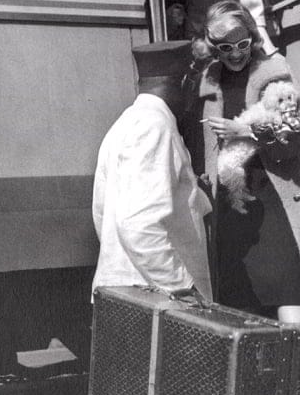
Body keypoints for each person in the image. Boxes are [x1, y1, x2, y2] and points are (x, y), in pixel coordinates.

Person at [191, 0, 300, 327]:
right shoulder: (208, 82)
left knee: (288, 290)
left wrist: (246, 131)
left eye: (242, 44)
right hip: (233, 204)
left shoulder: (274, 73)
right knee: (242, 301)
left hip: (276, 198)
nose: (235, 53)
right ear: (212, 46)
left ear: (252, 36)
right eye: (224, 47)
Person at [91, 41, 212, 300]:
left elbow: (103, 214)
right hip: (157, 297)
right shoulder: (155, 126)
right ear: (184, 82)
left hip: (130, 291)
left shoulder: (125, 123)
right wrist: (183, 288)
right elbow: (138, 223)